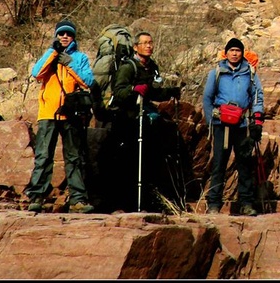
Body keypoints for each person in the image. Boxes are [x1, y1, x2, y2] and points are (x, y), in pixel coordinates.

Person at [24, 18, 96, 214]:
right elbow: (37, 73)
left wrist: (70, 64)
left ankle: (77, 200)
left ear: (73, 37)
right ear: (56, 36)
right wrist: (53, 52)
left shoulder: (80, 58)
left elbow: (88, 82)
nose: (65, 36)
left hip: (72, 114)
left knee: (74, 158)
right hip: (48, 114)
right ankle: (37, 195)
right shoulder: (50, 54)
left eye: (68, 33)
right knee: (44, 156)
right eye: (61, 33)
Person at [109, 30, 181, 212]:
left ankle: (148, 201)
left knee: (149, 159)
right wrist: (134, 89)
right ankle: (125, 203)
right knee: (128, 161)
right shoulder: (128, 67)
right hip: (127, 119)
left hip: (144, 118)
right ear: (135, 47)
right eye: (145, 43)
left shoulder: (152, 66)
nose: (149, 46)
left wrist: (170, 92)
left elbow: (153, 92)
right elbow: (118, 93)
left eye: (151, 42)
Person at [202, 37, 264, 216]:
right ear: (226, 52)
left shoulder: (250, 73)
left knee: (244, 164)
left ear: (242, 53)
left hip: (243, 125)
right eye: (232, 50)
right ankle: (214, 204)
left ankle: (246, 203)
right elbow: (207, 98)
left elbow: (257, 96)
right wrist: (210, 123)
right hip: (221, 125)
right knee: (219, 164)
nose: (235, 54)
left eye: (238, 50)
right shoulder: (216, 72)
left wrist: (257, 121)